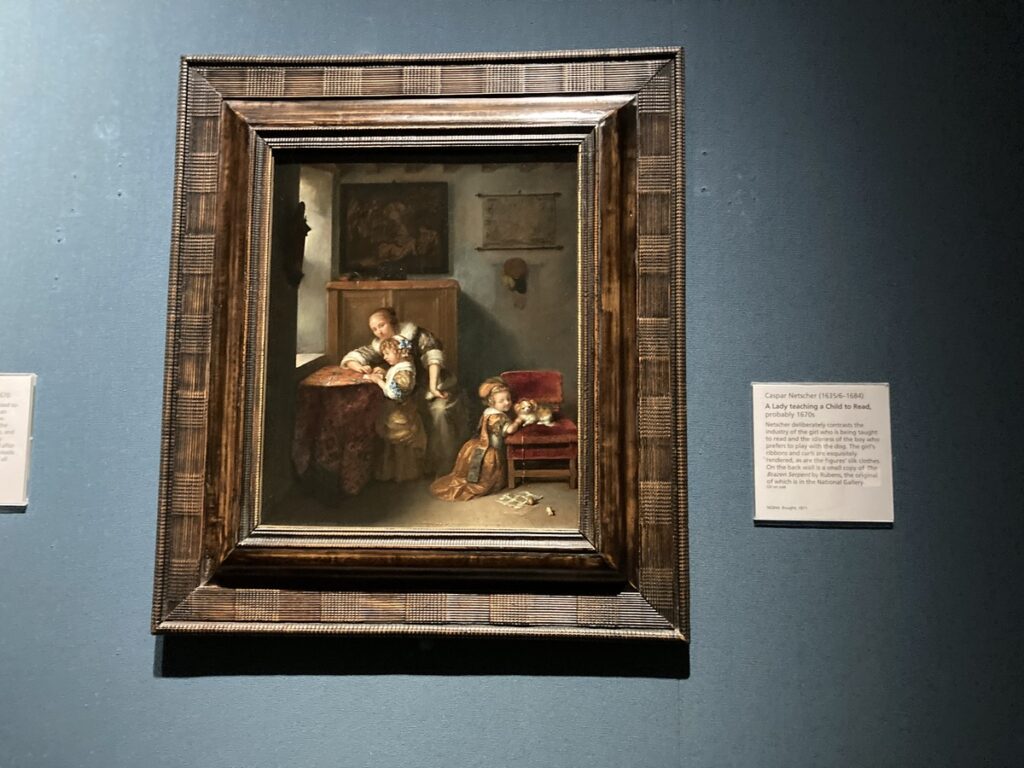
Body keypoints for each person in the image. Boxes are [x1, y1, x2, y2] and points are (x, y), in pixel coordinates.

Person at [341, 306, 464, 474]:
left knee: (439, 411)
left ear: (392, 322)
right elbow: (355, 357)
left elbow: (433, 358)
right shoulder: (382, 345)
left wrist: (433, 386)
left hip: (435, 384)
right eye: (374, 329)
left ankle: (445, 465)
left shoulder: (417, 335)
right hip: (408, 390)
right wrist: (361, 367)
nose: (379, 331)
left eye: (382, 325)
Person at [430, 377, 524, 501]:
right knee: (486, 475)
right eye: (502, 401)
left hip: (476, 445)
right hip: (490, 450)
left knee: (472, 472)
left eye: (508, 399)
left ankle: (473, 480)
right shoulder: (498, 417)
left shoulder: (487, 412)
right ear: (491, 402)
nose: (507, 403)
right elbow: (510, 430)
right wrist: (519, 420)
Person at [365, 335, 426, 482]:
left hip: (400, 412)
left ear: (401, 352)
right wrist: (384, 373)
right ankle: (391, 474)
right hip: (394, 411)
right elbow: (394, 379)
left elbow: (395, 393)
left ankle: (404, 475)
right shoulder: (401, 366)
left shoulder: (405, 371)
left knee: (399, 442)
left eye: (387, 353)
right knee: (391, 442)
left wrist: (378, 380)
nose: (385, 357)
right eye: (384, 354)